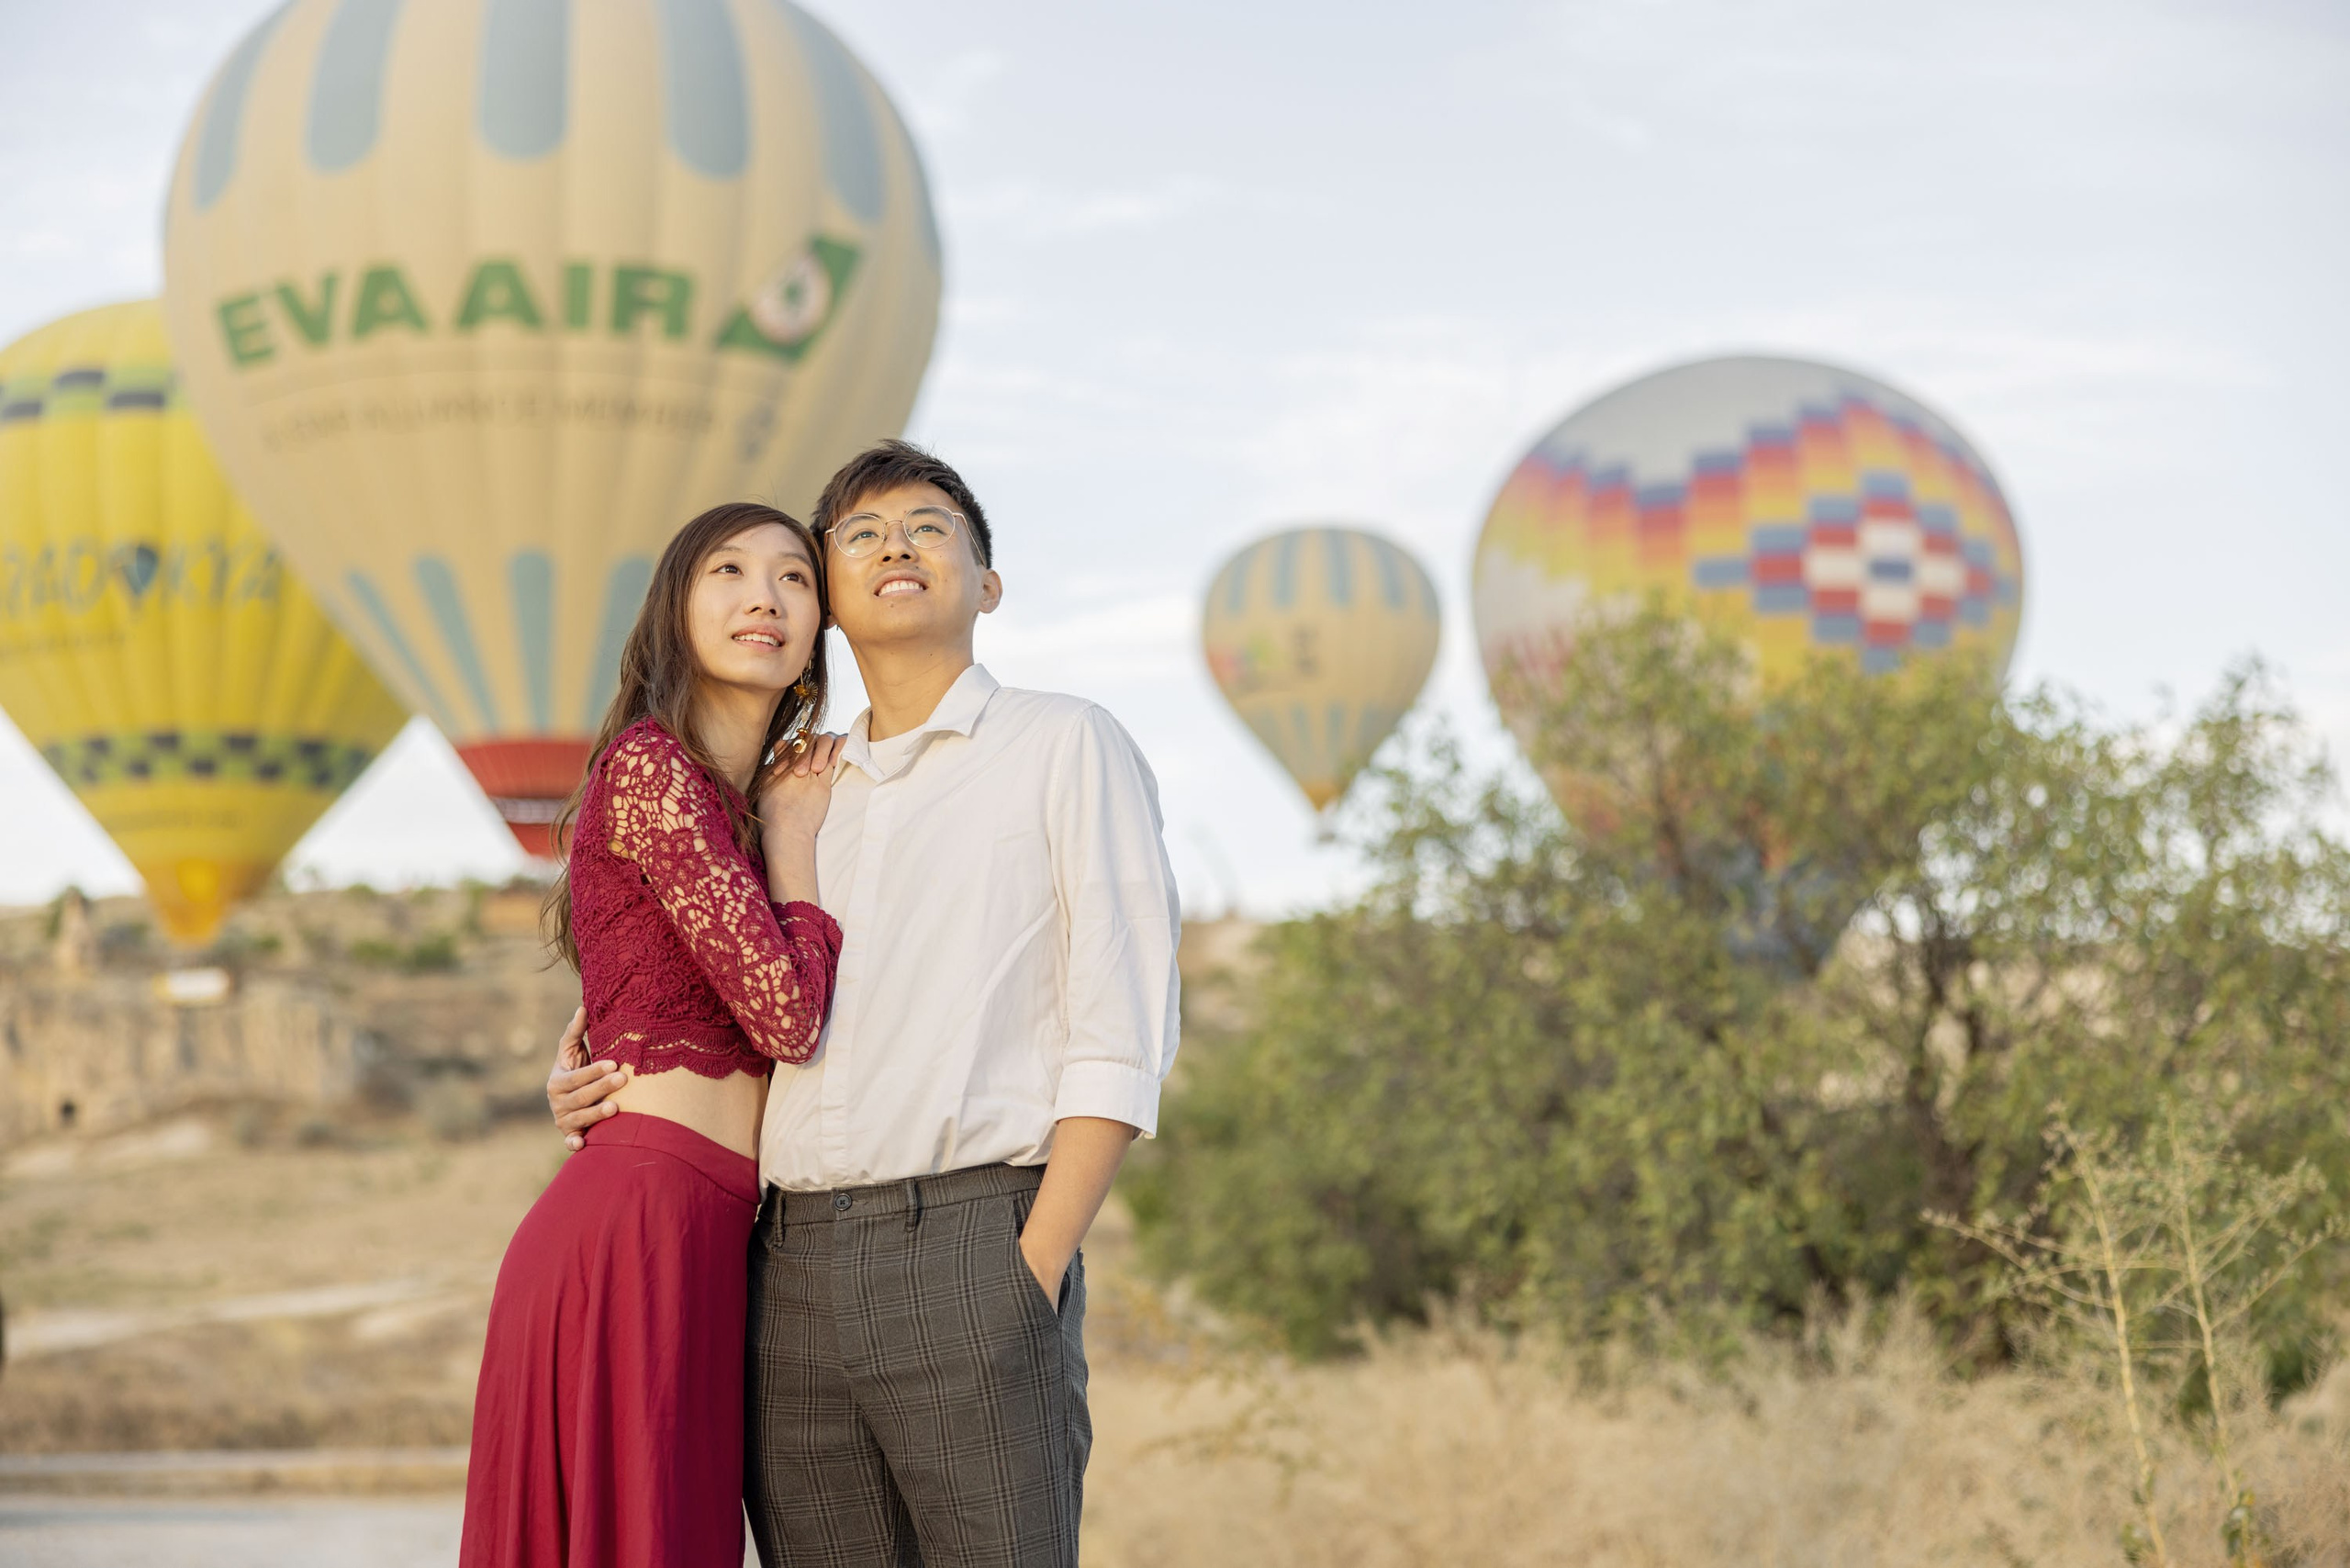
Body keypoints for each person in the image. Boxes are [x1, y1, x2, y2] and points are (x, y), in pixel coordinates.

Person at [548, 441, 1182, 1567]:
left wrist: (1029, 1270)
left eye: (931, 527)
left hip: (974, 1241)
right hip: (780, 1269)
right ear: (831, 597)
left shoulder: (1062, 743)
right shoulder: (785, 792)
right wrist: (595, 1065)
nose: (897, 544)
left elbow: (1120, 1026)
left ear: (987, 584)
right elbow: (682, 971)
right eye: (860, 534)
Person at [463, 502, 850, 1568]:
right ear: (674, 610)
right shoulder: (653, 769)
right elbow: (786, 1015)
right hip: (638, 1220)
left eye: (793, 578)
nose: (763, 596)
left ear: (821, 624)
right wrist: (796, 851)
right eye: (727, 571)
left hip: (709, 1231)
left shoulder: (747, 792)